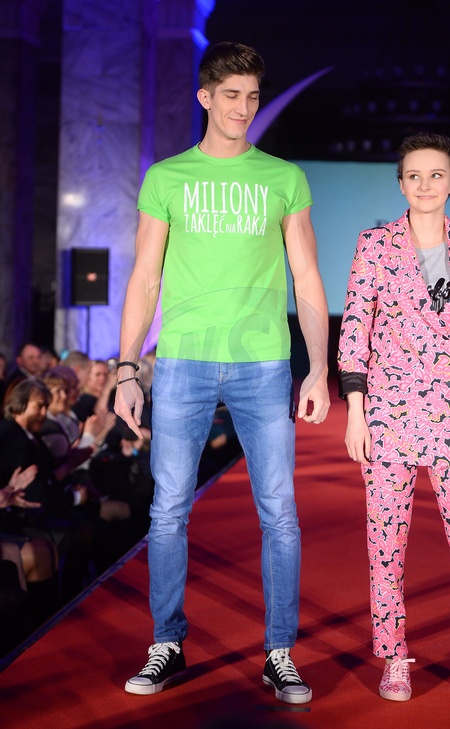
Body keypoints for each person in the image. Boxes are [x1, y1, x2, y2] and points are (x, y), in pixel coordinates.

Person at [114, 41, 330, 703]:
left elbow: (306, 277)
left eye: (252, 96)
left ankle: (279, 652)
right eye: (231, 94)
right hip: (183, 361)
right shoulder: (166, 177)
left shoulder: (284, 178)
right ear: (205, 96)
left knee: (280, 513)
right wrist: (126, 369)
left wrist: (317, 367)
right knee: (168, 511)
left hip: (263, 362)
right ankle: (167, 642)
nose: (243, 106)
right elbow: (145, 277)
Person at [337, 132, 450, 702]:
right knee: (386, 542)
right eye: (415, 175)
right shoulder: (375, 245)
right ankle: (393, 656)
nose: (425, 185)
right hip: (388, 413)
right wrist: (355, 413)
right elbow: (354, 328)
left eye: (437, 174)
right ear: (401, 183)